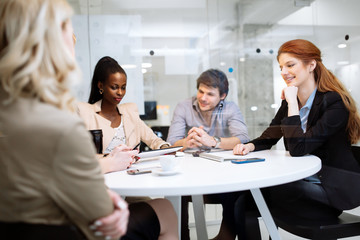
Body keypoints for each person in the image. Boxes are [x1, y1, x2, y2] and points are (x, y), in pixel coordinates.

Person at [0, 1, 178, 240]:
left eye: (123, 87)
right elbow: (99, 212)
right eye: (67, 29)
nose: (73, 39)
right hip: (69, 228)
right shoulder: (63, 123)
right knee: (165, 210)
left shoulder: (17, 115)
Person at [233, 39, 360, 239]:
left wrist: (292, 102)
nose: (284, 72)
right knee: (245, 197)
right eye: (281, 67)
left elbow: (298, 148)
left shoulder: (334, 102)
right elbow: (270, 136)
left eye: (290, 65)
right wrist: (249, 146)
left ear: (311, 65)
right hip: (306, 182)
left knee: (263, 188)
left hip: (331, 192)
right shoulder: (293, 100)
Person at [167, 69, 250, 240]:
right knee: (174, 191)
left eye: (210, 94)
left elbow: (243, 138)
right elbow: (171, 143)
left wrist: (214, 141)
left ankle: (225, 236)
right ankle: (182, 237)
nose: (203, 98)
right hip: (190, 172)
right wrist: (185, 142)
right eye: (201, 91)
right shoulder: (184, 106)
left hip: (221, 171)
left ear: (222, 96)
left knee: (235, 189)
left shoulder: (230, 108)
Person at [77, 56, 170, 174]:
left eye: (123, 87)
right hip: (102, 178)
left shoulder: (130, 112)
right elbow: (79, 156)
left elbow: (153, 139)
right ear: (101, 86)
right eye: (114, 87)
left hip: (131, 178)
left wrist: (165, 148)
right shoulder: (85, 112)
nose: (120, 93)